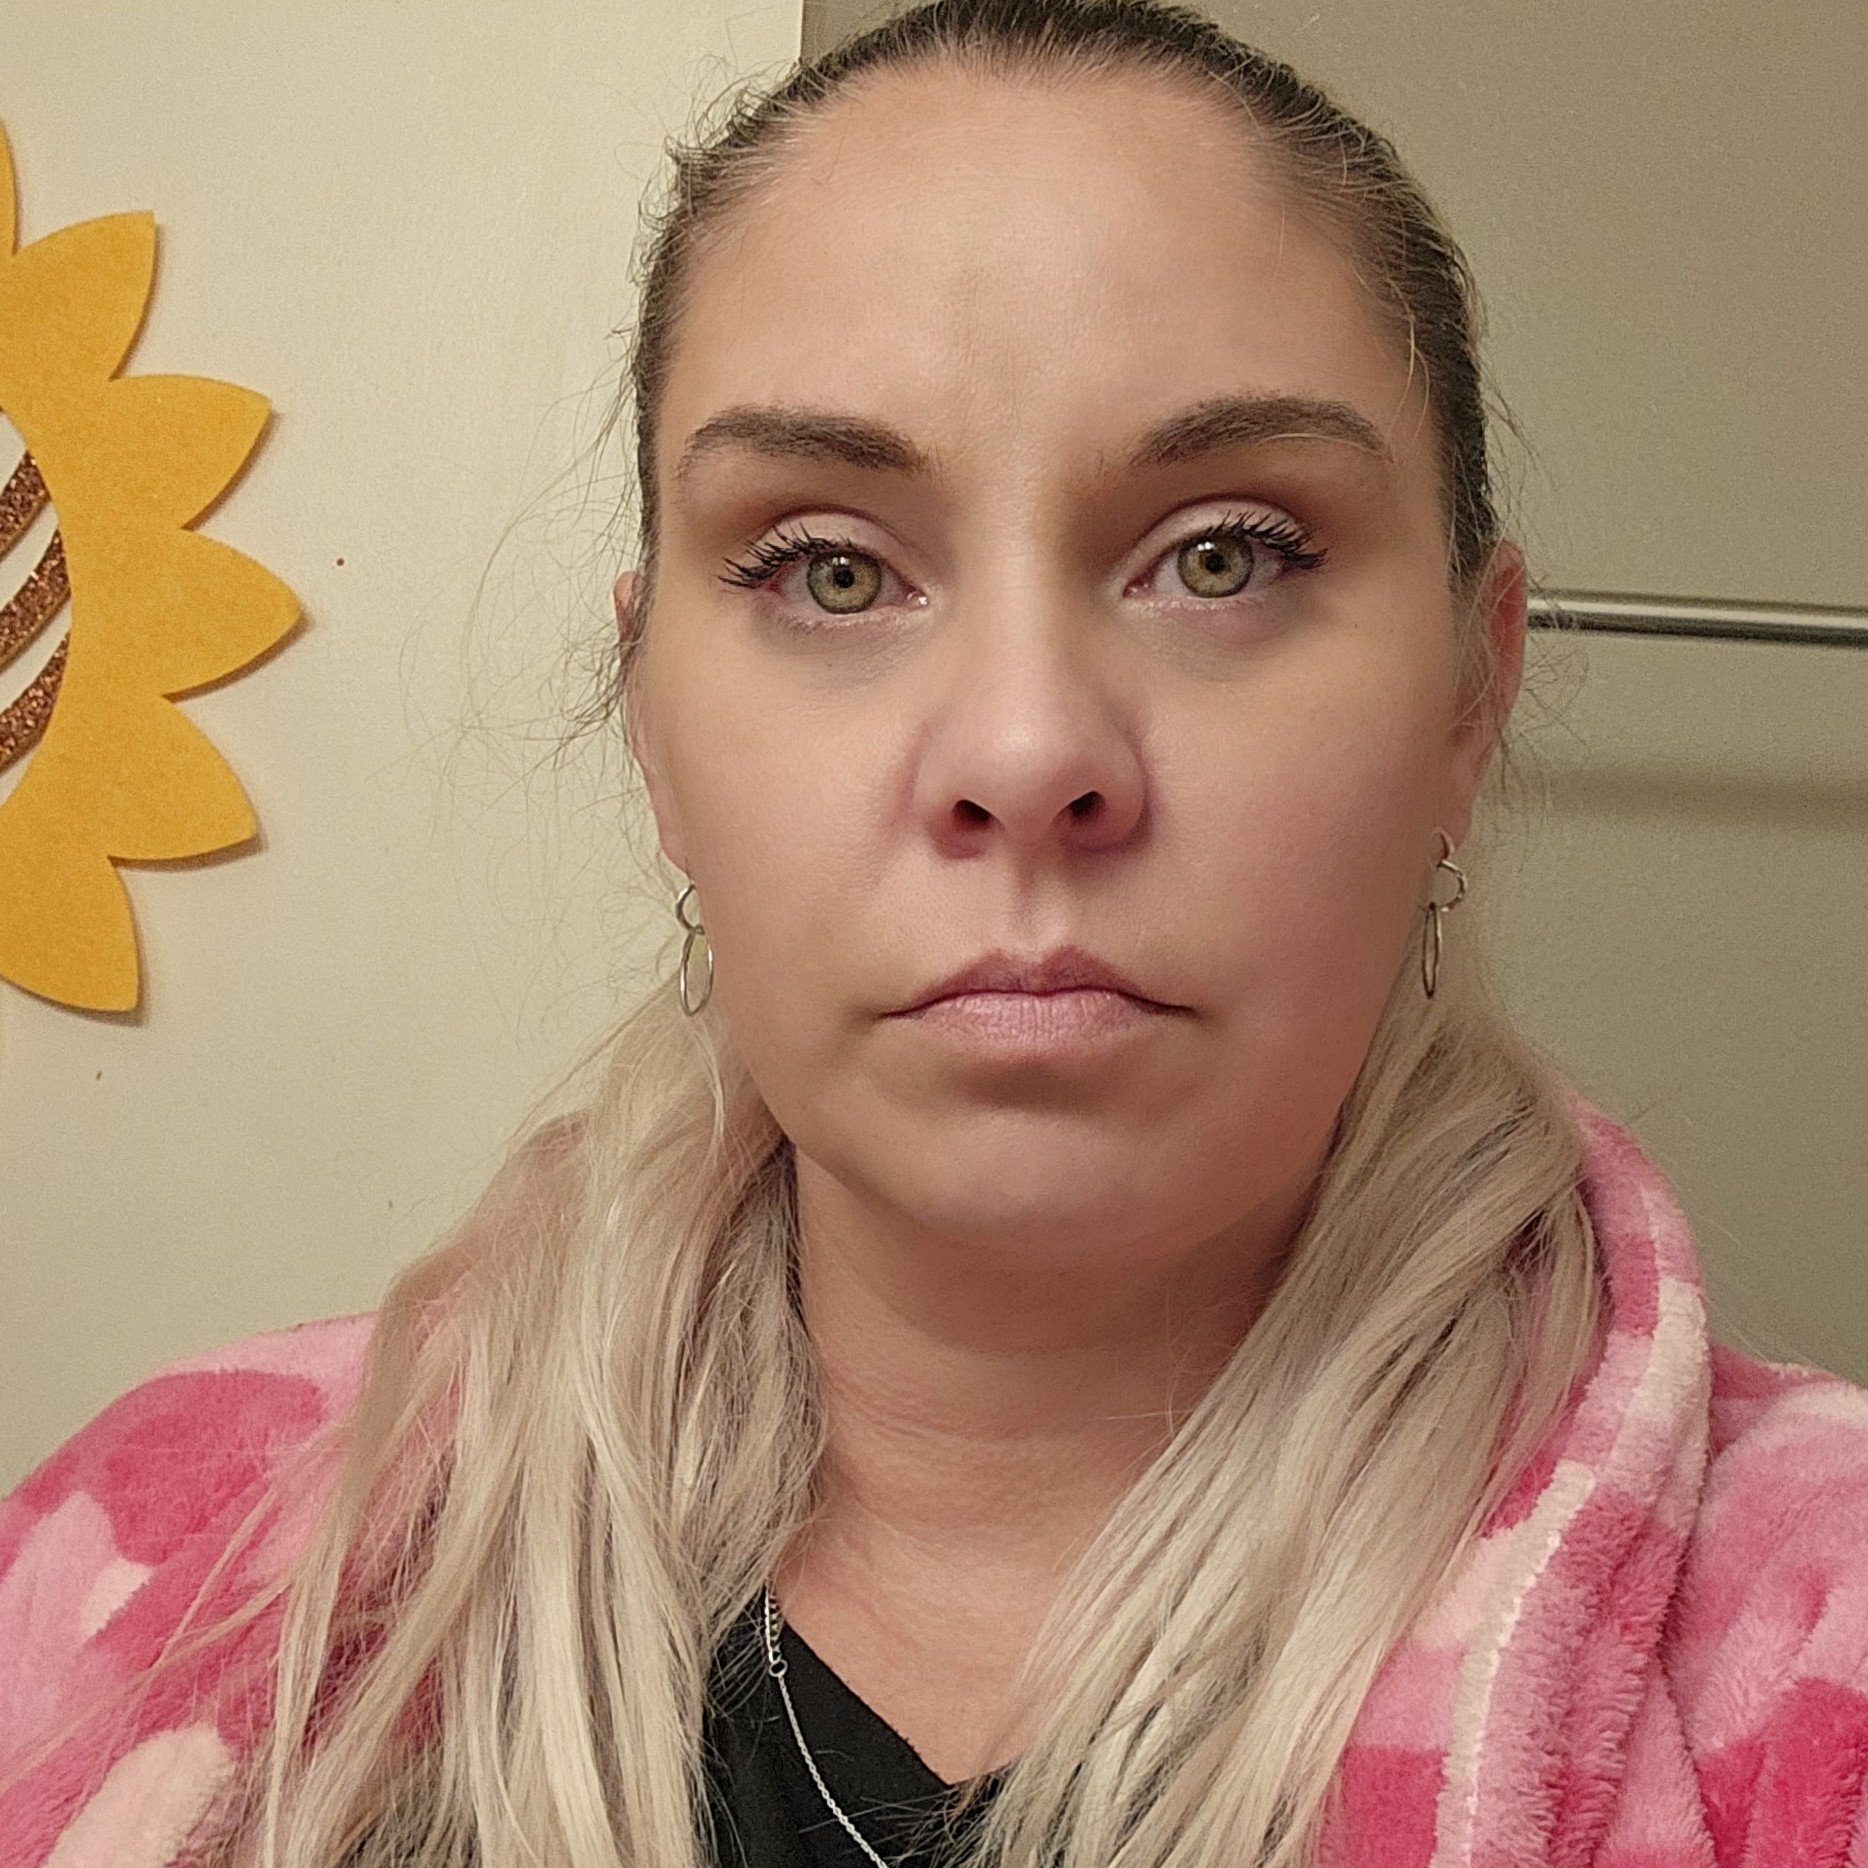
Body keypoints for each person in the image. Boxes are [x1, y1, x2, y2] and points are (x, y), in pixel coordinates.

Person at [6, 2, 1868, 1864]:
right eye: (832, 569)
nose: (1026, 751)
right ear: (650, 727)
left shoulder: (1818, 1637)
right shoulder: (158, 1571)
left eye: (1223, 553)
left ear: (1473, 691)